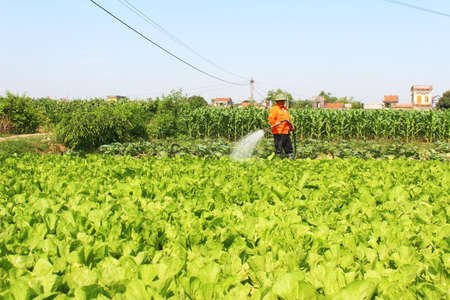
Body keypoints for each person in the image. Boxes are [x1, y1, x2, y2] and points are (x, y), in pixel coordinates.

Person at [268, 93, 295, 159]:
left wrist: (291, 126)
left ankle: (290, 159)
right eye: (280, 101)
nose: (282, 102)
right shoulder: (274, 109)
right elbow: (271, 119)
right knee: (279, 148)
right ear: (277, 101)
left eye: (283, 101)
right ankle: (277, 160)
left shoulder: (285, 109)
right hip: (278, 132)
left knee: (288, 147)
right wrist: (275, 124)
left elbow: (288, 119)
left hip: (286, 131)